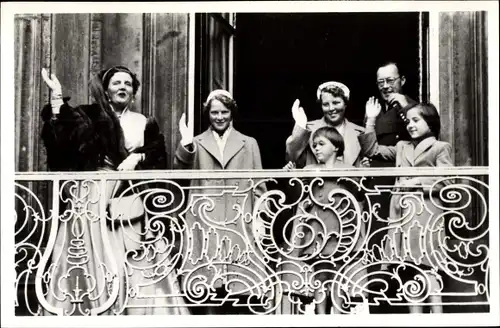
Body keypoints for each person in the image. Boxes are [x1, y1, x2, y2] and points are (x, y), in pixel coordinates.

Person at [39, 66, 187, 315]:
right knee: (88, 258)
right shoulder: (88, 116)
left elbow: (157, 156)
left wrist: (138, 157)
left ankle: (128, 313)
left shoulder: (144, 122)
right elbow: (62, 142)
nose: (123, 87)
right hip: (90, 198)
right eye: (117, 83)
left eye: (128, 84)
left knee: (129, 260)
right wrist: (56, 97)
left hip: (127, 198)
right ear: (106, 90)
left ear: (133, 91)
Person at [174, 89, 269, 314]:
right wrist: (185, 144)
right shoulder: (196, 143)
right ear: (208, 113)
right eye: (214, 112)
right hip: (205, 221)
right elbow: (180, 172)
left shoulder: (249, 143)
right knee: (207, 290)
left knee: (242, 292)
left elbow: (260, 186)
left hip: (240, 220)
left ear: (232, 112)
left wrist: (261, 217)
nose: (219, 117)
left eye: (224, 112)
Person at [359, 99, 454, 314]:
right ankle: (415, 318)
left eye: (416, 120)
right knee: (409, 272)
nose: (410, 125)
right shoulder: (402, 147)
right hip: (402, 218)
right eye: (408, 121)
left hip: (426, 217)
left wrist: (417, 181)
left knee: (429, 270)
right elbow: (372, 150)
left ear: (430, 123)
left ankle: (438, 318)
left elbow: (447, 181)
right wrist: (371, 120)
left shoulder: (440, 147)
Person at [283, 127, 369, 315]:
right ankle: (321, 314)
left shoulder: (347, 169)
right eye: (314, 145)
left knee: (338, 272)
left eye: (321, 144)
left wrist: (365, 172)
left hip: (339, 227)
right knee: (319, 273)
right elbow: (297, 195)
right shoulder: (308, 169)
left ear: (336, 147)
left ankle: (336, 313)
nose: (316, 149)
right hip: (316, 227)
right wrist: (292, 175)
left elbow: (359, 193)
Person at [365, 61, 418, 314]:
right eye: (381, 82)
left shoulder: (417, 108)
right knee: (378, 245)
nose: (386, 86)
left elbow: (422, 135)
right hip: (379, 188)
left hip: (405, 188)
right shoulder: (374, 109)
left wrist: (405, 106)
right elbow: (367, 146)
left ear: (402, 80)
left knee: (405, 247)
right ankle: (380, 308)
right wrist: (371, 120)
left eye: (391, 80)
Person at [286, 81, 369, 169]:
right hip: (316, 181)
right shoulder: (309, 129)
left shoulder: (359, 132)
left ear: (345, 104)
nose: (331, 108)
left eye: (336, 103)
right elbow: (291, 158)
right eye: (326, 104)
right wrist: (300, 126)